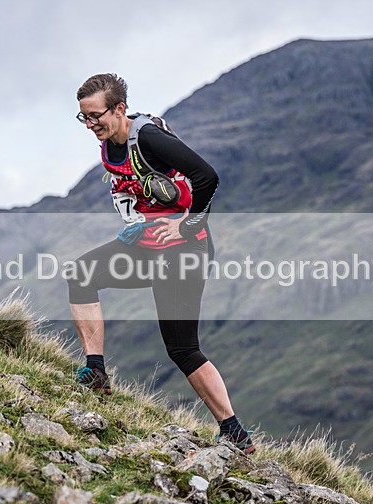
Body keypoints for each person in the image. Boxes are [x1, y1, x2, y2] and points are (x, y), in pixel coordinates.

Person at [69, 73, 254, 454]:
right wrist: (136, 221)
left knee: (182, 349)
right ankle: (96, 373)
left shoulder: (148, 137)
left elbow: (207, 177)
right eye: (83, 118)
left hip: (184, 251)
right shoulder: (110, 142)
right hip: (147, 246)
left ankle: (234, 434)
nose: (90, 125)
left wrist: (188, 224)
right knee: (81, 274)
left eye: (95, 116)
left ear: (119, 109)